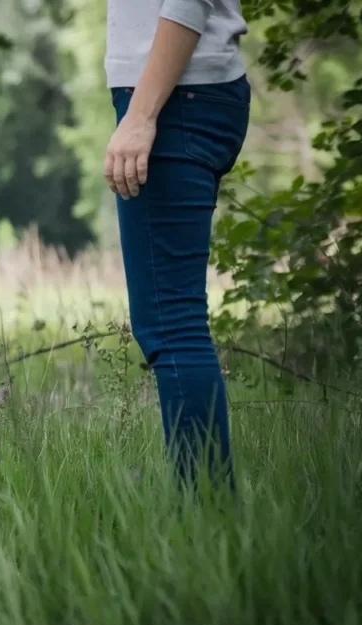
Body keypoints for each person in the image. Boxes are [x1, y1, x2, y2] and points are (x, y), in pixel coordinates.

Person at [103, 1, 251, 488]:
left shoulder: (158, 106)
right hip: (186, 92)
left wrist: (143, 115)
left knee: (172, 325)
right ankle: (209, 513)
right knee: (173, 322)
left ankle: (207, 515)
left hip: (172, 96)